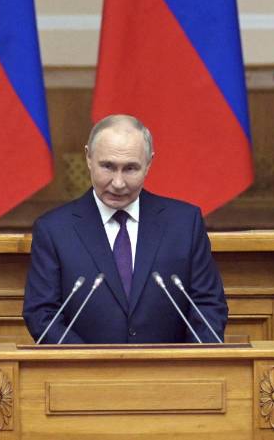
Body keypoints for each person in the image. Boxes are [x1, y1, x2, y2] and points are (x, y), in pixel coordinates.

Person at [22, 114, 228, 344]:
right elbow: (42, 314)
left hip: (170, 373)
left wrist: (190, 366)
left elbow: (208, 305)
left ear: (149, 163)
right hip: (84, 374)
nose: (118, 183)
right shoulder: (54, 230)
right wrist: (88, 365)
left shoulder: (184, 223)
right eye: (108, 167)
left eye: (130, 169)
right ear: (89, 158)